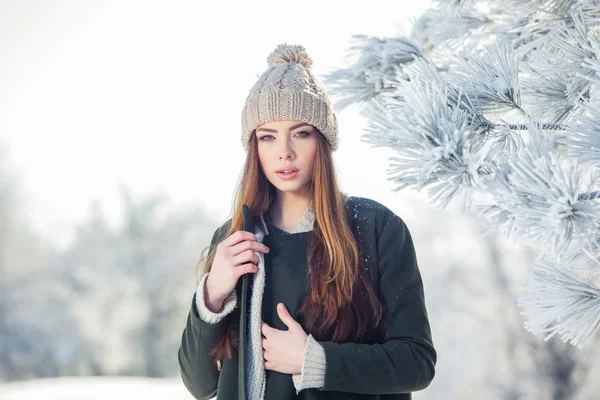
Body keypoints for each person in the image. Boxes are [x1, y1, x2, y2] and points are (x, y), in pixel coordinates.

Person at [178, 43, 436, 400]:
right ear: (254, 148)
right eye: (268, 137)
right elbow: (199, 384)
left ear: (323, 140)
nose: (284, 151)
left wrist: (315, 361)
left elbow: (416, 362)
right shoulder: (235, 237)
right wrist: (213, 293)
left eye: (300, 133)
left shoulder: (376, 228)